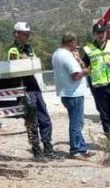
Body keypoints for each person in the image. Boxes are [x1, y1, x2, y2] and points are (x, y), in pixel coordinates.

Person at [8, 22, 55, 159]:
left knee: (44, 118)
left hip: (34, 85)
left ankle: (48, 147)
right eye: (25, 34)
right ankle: (36, 150)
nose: (27, 37)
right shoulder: (13, 50)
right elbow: (15, 67)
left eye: (29, 34)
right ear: (16, 34)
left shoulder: (29, 48)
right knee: (31, 119)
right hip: (24, 87)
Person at [81, 21, 110, 139]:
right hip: (99, 87)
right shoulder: (88, 49)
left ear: (106, 32)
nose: (100, 35)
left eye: (102, 32)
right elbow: (85, 66)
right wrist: (79, 62)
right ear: (94, 34)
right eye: (98, 33)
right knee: (105, 116)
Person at [52, 33, 93, 159]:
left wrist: (78, 59)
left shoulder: (56, 54)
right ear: (71, 42)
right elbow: (75, 75)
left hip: (65, 93)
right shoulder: (67, 56)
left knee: (76, 122)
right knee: (76, 124)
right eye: (75, 42)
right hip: (73, 93)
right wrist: (86, 71)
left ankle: (82, 149)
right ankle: (75, 149)